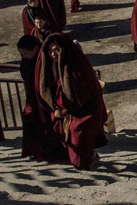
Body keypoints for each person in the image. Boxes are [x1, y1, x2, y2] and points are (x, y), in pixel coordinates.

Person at [35, 34, 108, 170]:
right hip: (62, 110)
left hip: (84, 111)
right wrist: (56, 108)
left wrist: (65, 110)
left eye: (56, 50)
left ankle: (89, 156)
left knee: (78, 136)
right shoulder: (49, 67)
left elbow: (82, 94)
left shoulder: (77, 67)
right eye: (50, 51)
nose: (53, 54)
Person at [17, 35, 45, 161]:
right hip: (31, 96)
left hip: (42, 97)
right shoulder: (27, 60)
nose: (24, 56)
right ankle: (33, 151)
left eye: (25, 53)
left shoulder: (43, 59)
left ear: (35, 48)